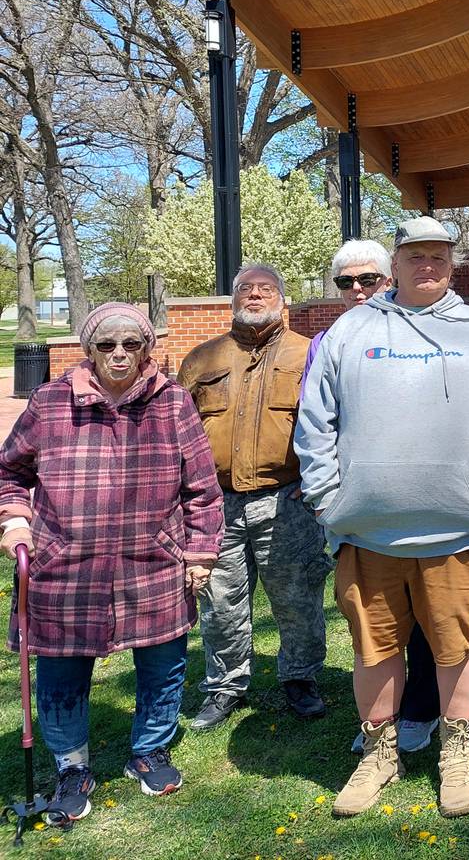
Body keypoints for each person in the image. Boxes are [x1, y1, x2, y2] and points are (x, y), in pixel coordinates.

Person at [295, 216, 469, 818]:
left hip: (461, 530)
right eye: (415, 256)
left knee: (457, 646)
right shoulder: (351, 329)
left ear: (452, 263)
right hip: (367, 529)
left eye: (438, 256)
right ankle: (379, 754)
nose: (427, 266)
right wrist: (326, 497)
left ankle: (457, 751)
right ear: (394, 263)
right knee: (374, 649)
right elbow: (316, 418)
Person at [0, 303, 223, 820]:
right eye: (107, 344)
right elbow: (9, 473)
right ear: (89, 349)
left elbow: (203, 491)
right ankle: (71, 766)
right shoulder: (50, 402)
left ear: (147, 348)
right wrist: (15, 521)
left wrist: (201, 552)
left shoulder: (173, 403)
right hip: (65, 564)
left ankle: (150, 750)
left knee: (163, 666)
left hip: (153, 561)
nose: (119, 353)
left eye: (131, 343)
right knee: (60, 672)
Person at [178, 263, 329, 729]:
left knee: (297, 595)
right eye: (246, 289)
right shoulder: (202, 360)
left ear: (283, 301)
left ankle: (300, 678)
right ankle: (225, 686)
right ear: (233, 300)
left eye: (266, 290)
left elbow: (334, 421)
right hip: (214, 502)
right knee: (220, 601)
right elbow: (176, 432)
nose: (256, 296)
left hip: (288, 498)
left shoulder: (310, 355)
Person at [307, 240, 443, 758]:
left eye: (370, 280)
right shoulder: (330, 340)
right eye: (347, 283)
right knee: (375, 624)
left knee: (431, 618)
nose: (359, 290)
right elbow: (317, 422)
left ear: (391, 280)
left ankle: (423, 712)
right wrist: (327, 497)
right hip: (358, 508)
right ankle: (381, 721)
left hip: (426, 500)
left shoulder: (424, 329)